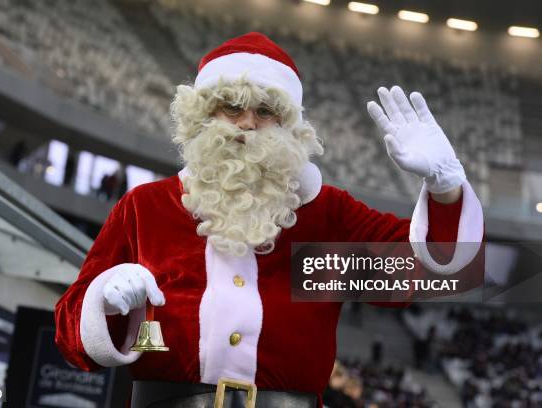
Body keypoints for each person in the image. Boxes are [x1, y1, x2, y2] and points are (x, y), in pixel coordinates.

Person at [54, 32, 484, 406]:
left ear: (289, 126)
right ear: (203, 116)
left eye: (264, 111)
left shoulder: (326, 214)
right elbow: (72, 335)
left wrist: (445, 187)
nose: (246, 124)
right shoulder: (145, 208)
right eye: (231, 107)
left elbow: (422, 274)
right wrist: (105, 302)